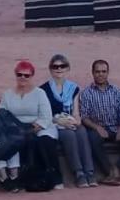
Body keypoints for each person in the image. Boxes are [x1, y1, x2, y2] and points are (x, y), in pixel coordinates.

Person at [0, 60, 62, 192]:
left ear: (32, 76)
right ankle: (27, 179)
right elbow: (2, 115)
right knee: (21, 141)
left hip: (39, 125)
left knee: (45, 141)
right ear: (15, 75)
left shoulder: (39, 93)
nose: (23, 78)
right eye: (20, 74)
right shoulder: (7, 95)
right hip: (16, 128)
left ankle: (56, 178)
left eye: (26, 75)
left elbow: (46, 116)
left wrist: (33, 128)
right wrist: (17, 129)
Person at [78, 59, 120, 186]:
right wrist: (97, 128)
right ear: (92, 73)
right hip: (98, 129)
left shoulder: (117, 92)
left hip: (116, 128)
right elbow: (84, 117)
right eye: (98, 72)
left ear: (108, 73)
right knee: (91, 138)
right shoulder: (86, 93)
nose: (100, 74)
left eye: (103, 71)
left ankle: (118, 168)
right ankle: (109, 171)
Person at [40, 53, 96, 188]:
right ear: (50, 69)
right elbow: (45, 114)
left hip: (70, 120)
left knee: (82, 131)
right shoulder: (43, 90)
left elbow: (76, 111)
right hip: (54, 123)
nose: (59, 69)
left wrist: (76, 120)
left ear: (67, 69)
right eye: (55, 66)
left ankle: (89, 171)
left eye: (62, 66)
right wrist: (59, 122)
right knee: (69, 135)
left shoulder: (74, 88)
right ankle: (78, 173)